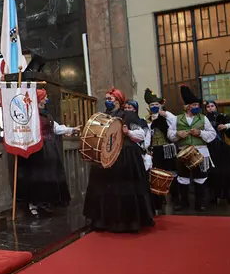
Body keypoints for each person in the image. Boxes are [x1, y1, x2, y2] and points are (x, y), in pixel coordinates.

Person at [83, 87, 154, 233]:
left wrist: (129, 132)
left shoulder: (128, 115)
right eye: (106, 99)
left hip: (125, 155)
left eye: (110, 99)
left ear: (118, 101)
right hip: (106, 155)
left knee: (123, 188)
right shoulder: (103, 116)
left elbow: (141, 135)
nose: (107, 101)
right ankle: (103, 221)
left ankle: (126, 222)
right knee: (103, 187)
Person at [17, 89, 77, 217]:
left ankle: (48, 203)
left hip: (50, 148)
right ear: (39, 99)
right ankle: (36, 204)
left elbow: (55, 128)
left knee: (50, 175)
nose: (46, 99)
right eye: (44, 97)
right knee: (39, 176)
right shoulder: (31, 114)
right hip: (38, 149)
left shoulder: (46, 114)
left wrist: (71, 130)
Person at [167, 85, 216, 212]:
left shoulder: (203, 118)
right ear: (187, 106)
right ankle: (184, 203)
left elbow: (212, 134)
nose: (196, 107)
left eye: (197, 105)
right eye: (194, 105)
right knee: (183, 178)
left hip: (200, 151)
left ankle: (200, 203)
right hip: (183, 151)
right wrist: (178, 134)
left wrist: (200, 133)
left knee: (200, 177)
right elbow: (170, 134)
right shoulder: (177, 119)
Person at [143, 89, 178, 212]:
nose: (154, 106)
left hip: (167, 148)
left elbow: (176, 123)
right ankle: (160, 199)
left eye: (156, 104)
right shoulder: (147, 119)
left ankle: (175, 198)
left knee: (171, 173)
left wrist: (166, 114)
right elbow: (146, 136)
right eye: (152, 105)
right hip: (155, 150)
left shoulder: (167, 116)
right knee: (157, 175)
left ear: (160, 105)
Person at [205, 101, 230, 204]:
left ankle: (229, 195)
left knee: (227, 172)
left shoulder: (222, 116)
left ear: (216, 107)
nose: (210, 108)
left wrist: (226, 126)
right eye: (208, 106)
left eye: (212, 106)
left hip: (224, 149)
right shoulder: (204, 119)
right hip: (211, 149)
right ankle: (213, 196)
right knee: (213, 173)